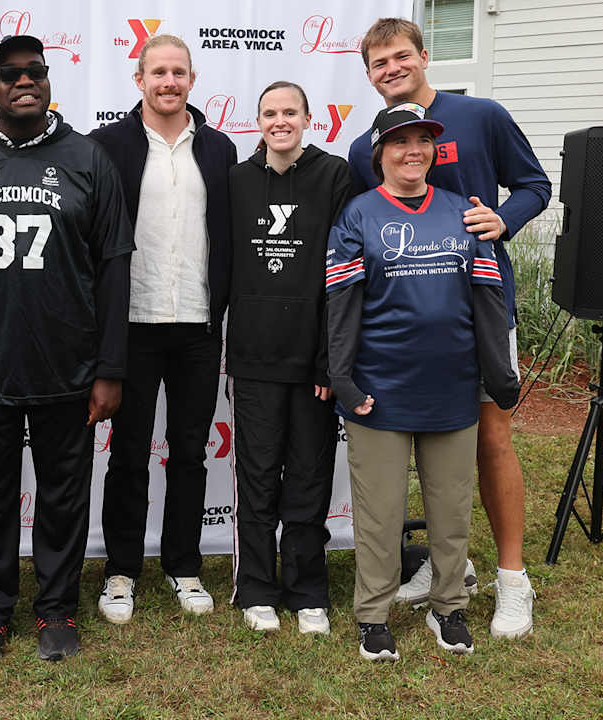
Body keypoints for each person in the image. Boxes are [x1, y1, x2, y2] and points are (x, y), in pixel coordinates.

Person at [0, 34, 133, 665]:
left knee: (64, 495)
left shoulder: (88, 160)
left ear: (48, 83)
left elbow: (115, 270)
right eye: (10, 74)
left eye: (36, 72)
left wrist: (111, 367)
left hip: (67, 366)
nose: (25, 81)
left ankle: (57, 607)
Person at [346, 17, 550, 639]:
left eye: (401, 57)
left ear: (424, 56)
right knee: (412, 450)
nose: (392, 70)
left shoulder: (480, 115)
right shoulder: (364, 149)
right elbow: (370, 228)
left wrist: (502, 219)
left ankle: (512, 580)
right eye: (380, 64)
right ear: (370, 75)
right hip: (406, 329)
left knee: (489, 442)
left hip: (479, 314)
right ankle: (446, 571)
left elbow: (536, 185)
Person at [327, 103, 519, 661]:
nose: (413, 151)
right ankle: (373, 615)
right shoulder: (358, 216)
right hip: (378, 390)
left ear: (434, 150)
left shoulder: (465, 214)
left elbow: (487, 302)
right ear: (378, 153)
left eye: (422, 141)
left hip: (453, 389)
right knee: (380, 513)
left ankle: (448, 607)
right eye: (399, 142)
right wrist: (342, 378)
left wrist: (497, 374)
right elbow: (341, 307)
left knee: (451, 508)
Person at [87, 33, 236, 624]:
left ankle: (184, 566)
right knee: (127, 455)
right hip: (132, 326)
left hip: (199, 326)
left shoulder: (220, 149)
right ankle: (120, 571)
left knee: (191, 453)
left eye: (179, 72)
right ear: (140, 81)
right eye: (158, 73)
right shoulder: (106, 146)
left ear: (191, 80)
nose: (169, 82)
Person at [226, 81, 349, 634]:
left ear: (308, 119)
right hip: (253, 359)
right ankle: (256, 588)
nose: (280, 121)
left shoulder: (334, 175)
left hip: (312, 366)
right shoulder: (236, 181)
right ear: (259, 122)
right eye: (270, 113)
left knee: (308, 477)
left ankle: (306, 591)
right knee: (256, 477)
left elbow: (343, 277)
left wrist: (330, 362)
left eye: (290, 112)